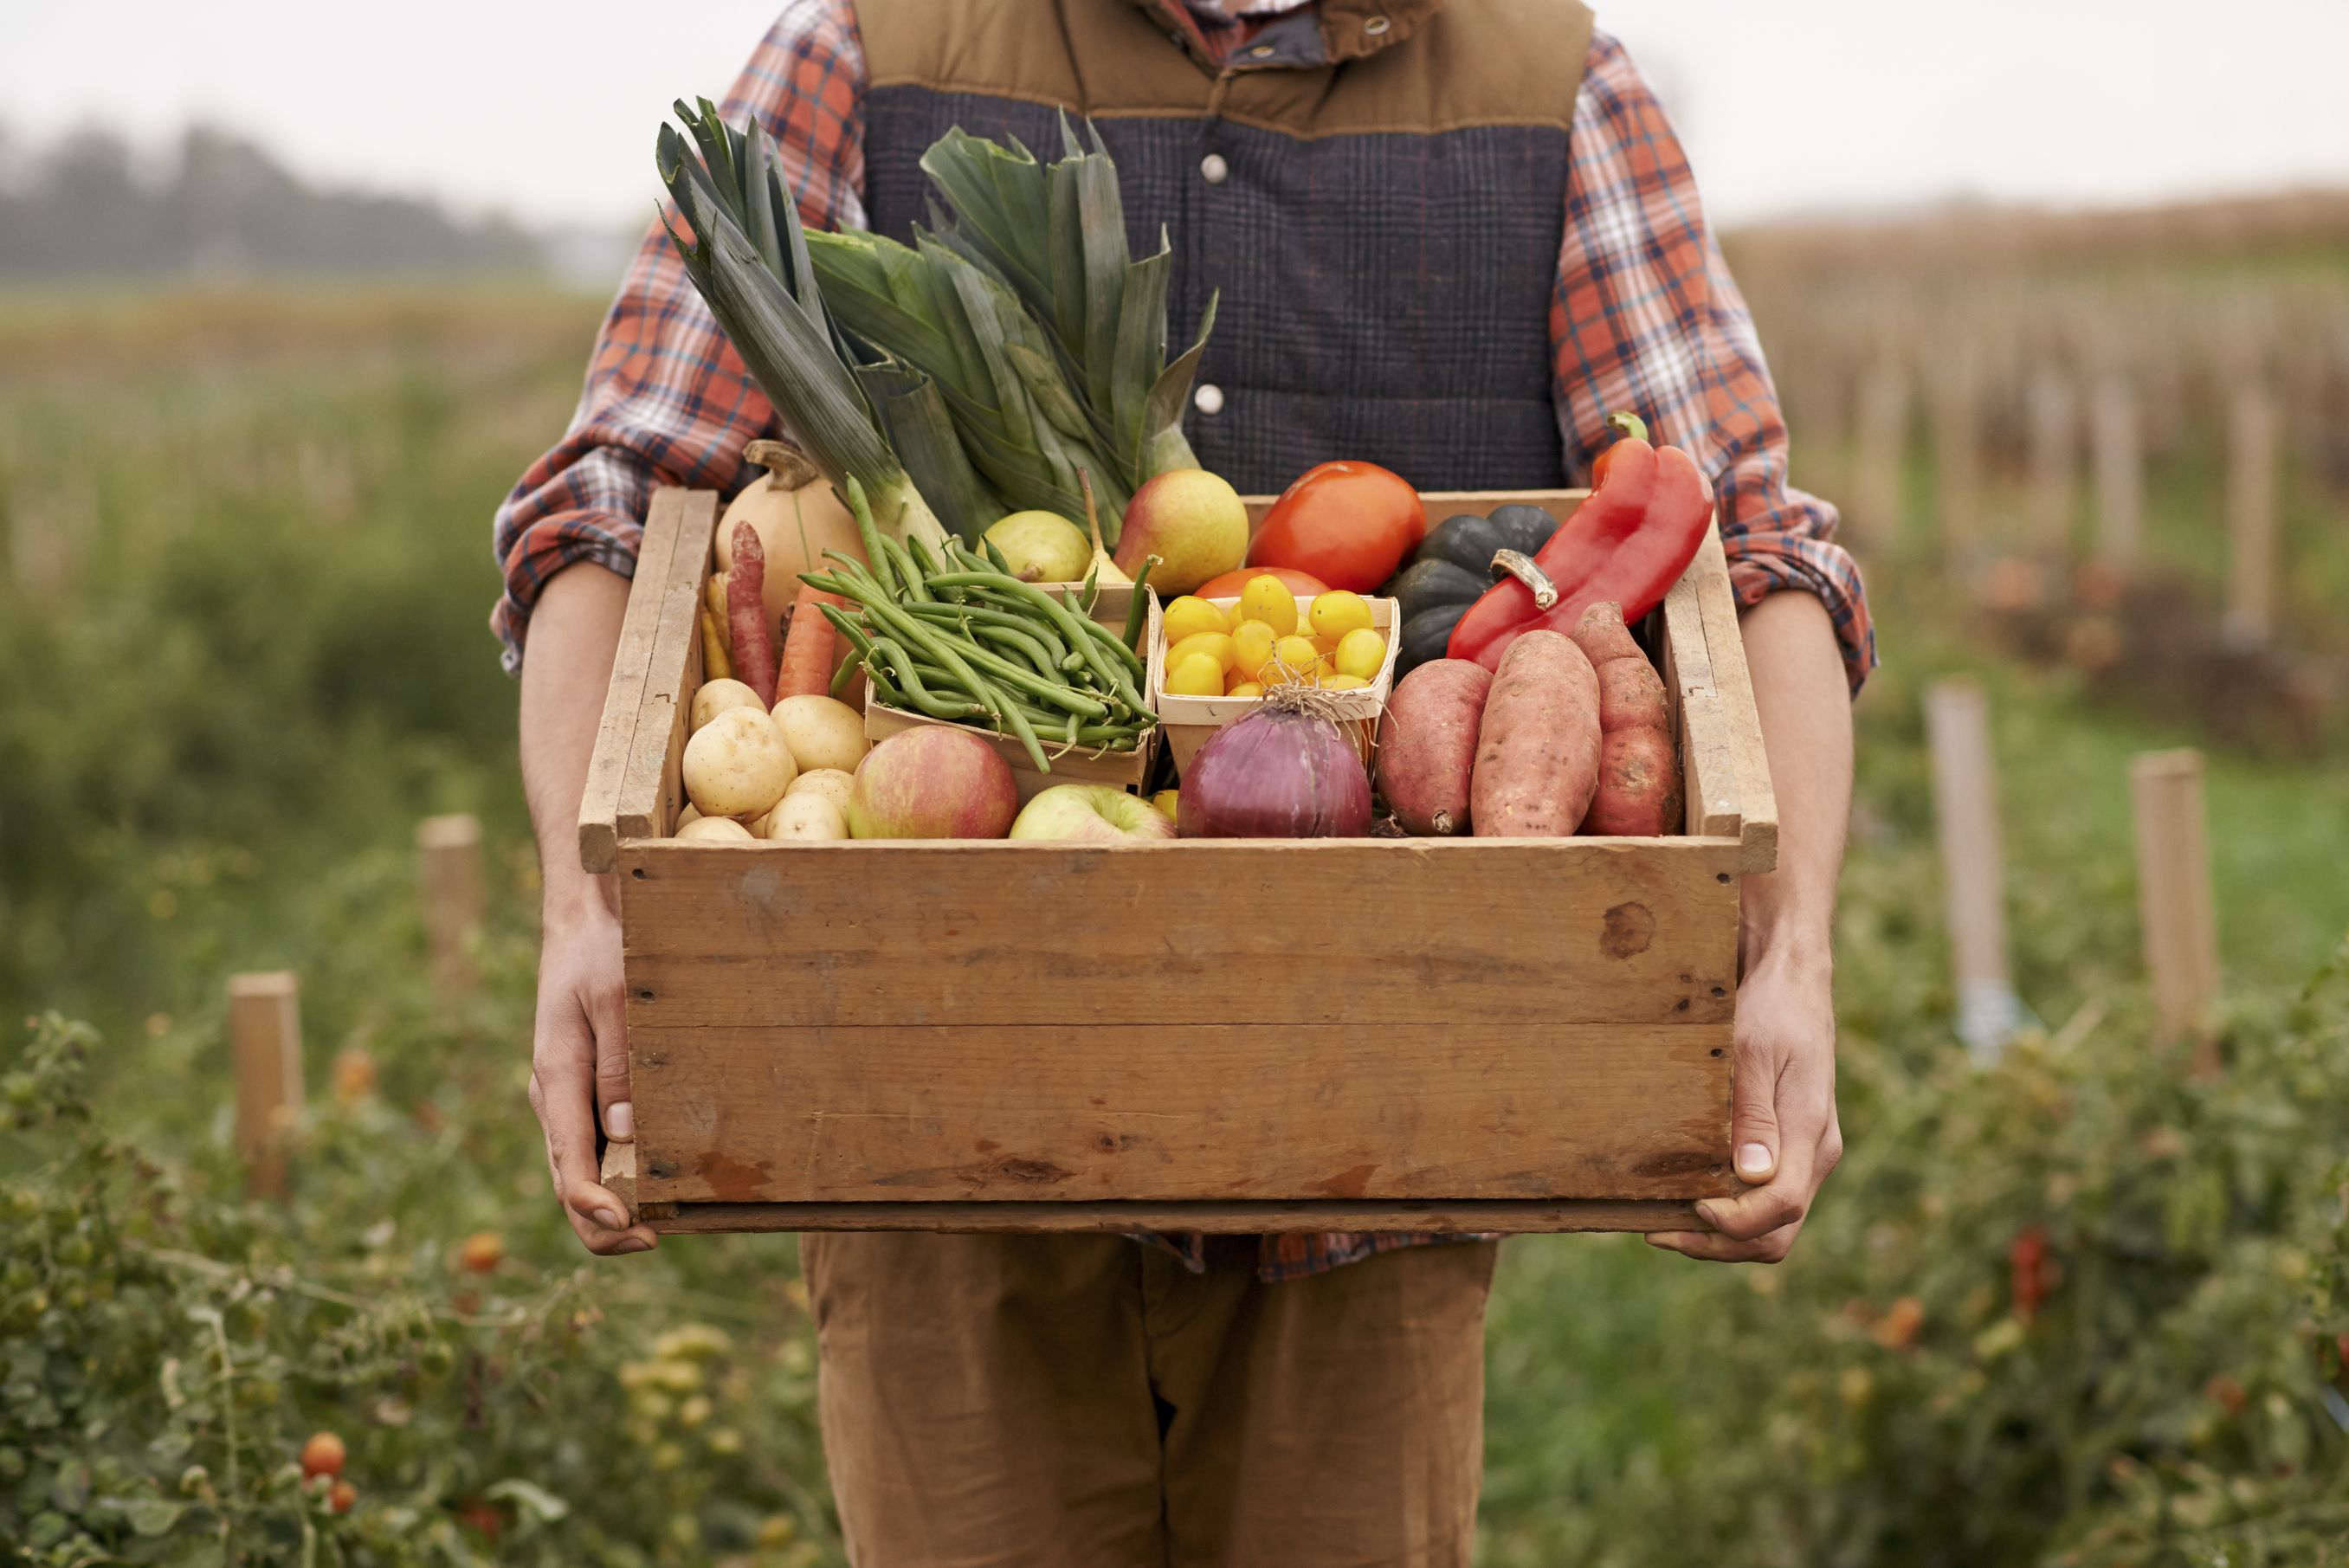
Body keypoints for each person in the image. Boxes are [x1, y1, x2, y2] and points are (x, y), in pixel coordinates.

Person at [498, 0, 1874, 1560]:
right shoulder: (865, 48)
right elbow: (615, 507)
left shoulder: (1550, 80)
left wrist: (1790, 952)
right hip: (941, 1144)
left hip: (1381, 1153)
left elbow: (1753, 553)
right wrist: (583, 904)